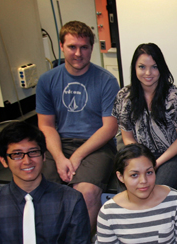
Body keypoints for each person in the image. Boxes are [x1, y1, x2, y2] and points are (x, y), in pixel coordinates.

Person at [36, 20, 120, 232]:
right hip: (59, 144)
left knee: (86, 192)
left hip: (96, 146)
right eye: (72, 46)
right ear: (62, 46)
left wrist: (77, 156)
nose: (78, 53)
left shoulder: (107, 81)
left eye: (84, 47)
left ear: (92, 49)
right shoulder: (47, 81)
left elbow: (109, 128)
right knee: (42, 191)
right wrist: (59, 157)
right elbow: (46, 126)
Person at [113, 43, 177, 189]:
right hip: (139, 154)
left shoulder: (174, 97)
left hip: (173, 156)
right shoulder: (124, 96)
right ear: (134, 69)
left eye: (154, 67)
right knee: (129, 190)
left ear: (161, 68)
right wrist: (142, 162)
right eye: (142, 67)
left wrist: (154, 164)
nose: (148, 73)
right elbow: (127, 137)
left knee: (153, 190)